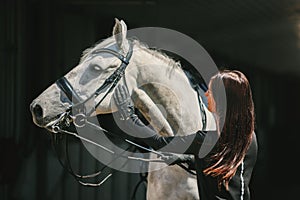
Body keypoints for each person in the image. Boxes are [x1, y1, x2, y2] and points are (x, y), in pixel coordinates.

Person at [113, 69, 258, 200]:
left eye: (211, 92)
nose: (206, 94)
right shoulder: (250, 138)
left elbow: (160, 142)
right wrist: (185, 160)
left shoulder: (208, 140)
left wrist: (129, 118)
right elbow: (222, 166)